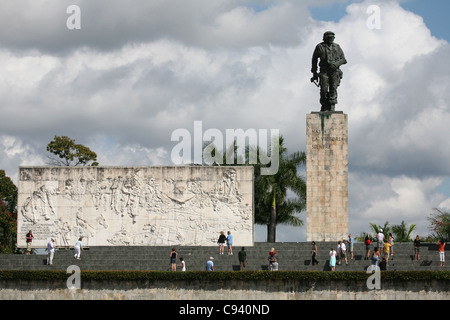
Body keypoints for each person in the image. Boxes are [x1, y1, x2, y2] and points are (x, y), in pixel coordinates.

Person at [311, 31, 347, 112]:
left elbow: (344, 59)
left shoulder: (337, 47)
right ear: (325, 38)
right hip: (324, 71)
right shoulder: (320, 46)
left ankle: (332, 105)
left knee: (333, 88)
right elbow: (314, 59)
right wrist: (314, 72)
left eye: (332, 38)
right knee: (323, 89)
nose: (331, 39)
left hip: (334, 71)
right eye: (329, 38)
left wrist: (336, 64)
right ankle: (324, 104)